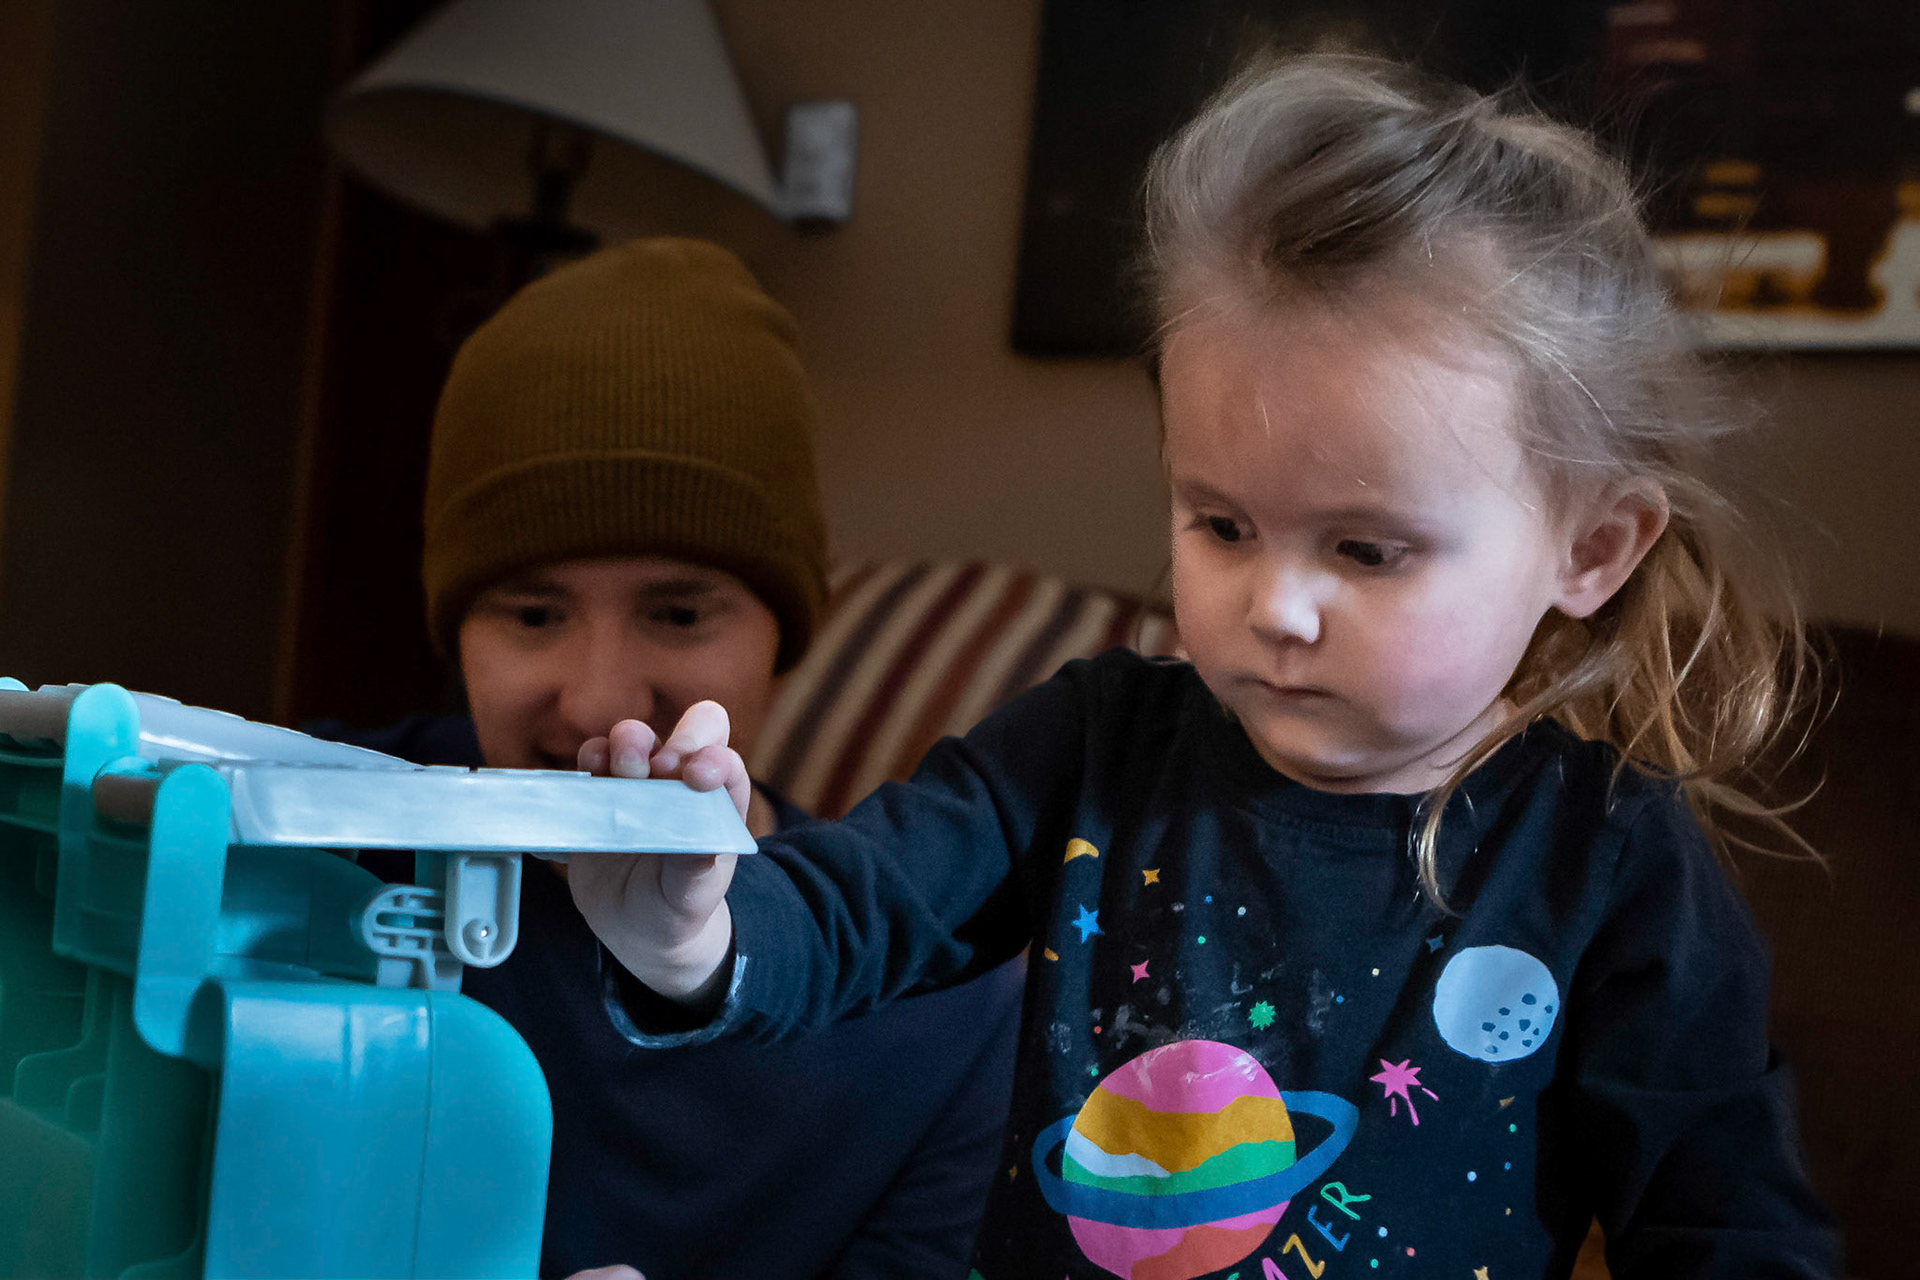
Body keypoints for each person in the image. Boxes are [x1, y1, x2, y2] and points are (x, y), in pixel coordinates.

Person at [570, 57, 1839, 1279]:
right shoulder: (1092, 745)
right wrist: (695, 933)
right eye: (1222, 525)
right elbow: (861, 906)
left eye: (1367, 549)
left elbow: (1729, 1224)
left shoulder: (1607, 862)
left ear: (1591, 548)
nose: (1275, 606)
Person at [325, 238, 1023, 1280]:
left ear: (785, 634)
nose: (601, 701)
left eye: (679, 612)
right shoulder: (297, 845)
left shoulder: (936, 1006)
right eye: (533, 614)